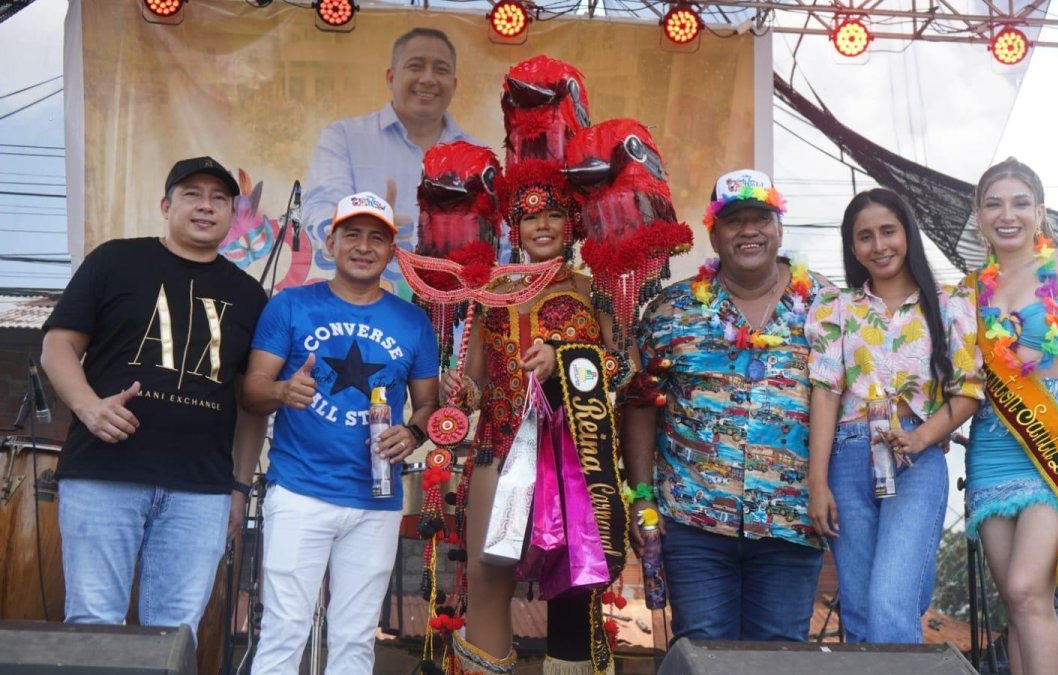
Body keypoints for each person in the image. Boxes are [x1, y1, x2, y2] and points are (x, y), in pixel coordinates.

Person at [40, 156, 268, 640]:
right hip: (104, 475)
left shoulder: (249, 295)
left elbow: (252, 403)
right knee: (93, 623)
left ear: (233, 214)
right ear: (166, 205)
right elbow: (57, 346)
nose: (205, 207)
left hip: (201, 490)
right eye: (192, 194)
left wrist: (240, 488)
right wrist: (88, 405)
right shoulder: (115, 260)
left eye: (219, 198)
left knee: (174, 635)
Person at [622, 169, 834, 642]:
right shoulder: (670, 311)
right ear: (713, 233)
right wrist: (642, 500)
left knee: (779, 657)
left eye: (761, 218)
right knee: (702, 651)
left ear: (780, 227)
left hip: (790, 520)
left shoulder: (826, 306)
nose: (749, 231)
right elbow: (640, 406)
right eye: (734, 220)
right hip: (694, 521)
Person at [444, 160, 629, 675]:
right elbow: (477, 388)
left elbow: (620, 367)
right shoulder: (490, 297)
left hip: (577, 456)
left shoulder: (595, 291)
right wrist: (460, 389)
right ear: (515, 229)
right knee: (487, 576)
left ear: (572, 224)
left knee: (573, 582)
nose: (541, 226)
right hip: (498, 449)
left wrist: (565, 358)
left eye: (552, 215)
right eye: (530, 218)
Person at [244, 191, 440, 674]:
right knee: (284, 630)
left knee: (355, 639)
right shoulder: (289, 305)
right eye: (351, 233)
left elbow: (429, 405)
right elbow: (251, 391)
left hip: (376, 501)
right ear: (329, 242)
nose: (363, 246)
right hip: (299, 493)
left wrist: (413, 435)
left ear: (392, 252)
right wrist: (283, 391)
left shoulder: (414, 321)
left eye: (377, 237)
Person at [804, 188, 983, 643]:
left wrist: (923, 437)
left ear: (908, 234)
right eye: (865, 237)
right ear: (853, 247)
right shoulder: (835, 308)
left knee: (889, 605)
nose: (879, 245)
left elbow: (968, 392)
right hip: (846, 461)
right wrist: (817, 481)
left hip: (915, 459)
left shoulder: (948, 305)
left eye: (888, 231)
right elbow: (824, 395)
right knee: (863, 615)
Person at [965, 158, 1058, 675]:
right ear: (979, 214)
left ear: (1039, 211)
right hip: (992, 440)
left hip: (1055, 438)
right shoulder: (969, 290)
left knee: (1027, 587)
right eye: (994, 203)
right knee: (1016, 604)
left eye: (1019, 203)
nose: (1007, 215)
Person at [302, 27, 474, 291]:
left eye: (440, 69)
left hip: (456, 311)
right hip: (367, 304)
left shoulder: (478, 156)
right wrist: (371, 223)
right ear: (391, 77)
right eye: (416, 66)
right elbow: (319, 213)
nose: (428, 79)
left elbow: (502, 239)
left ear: (455, 83)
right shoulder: (344, 137)